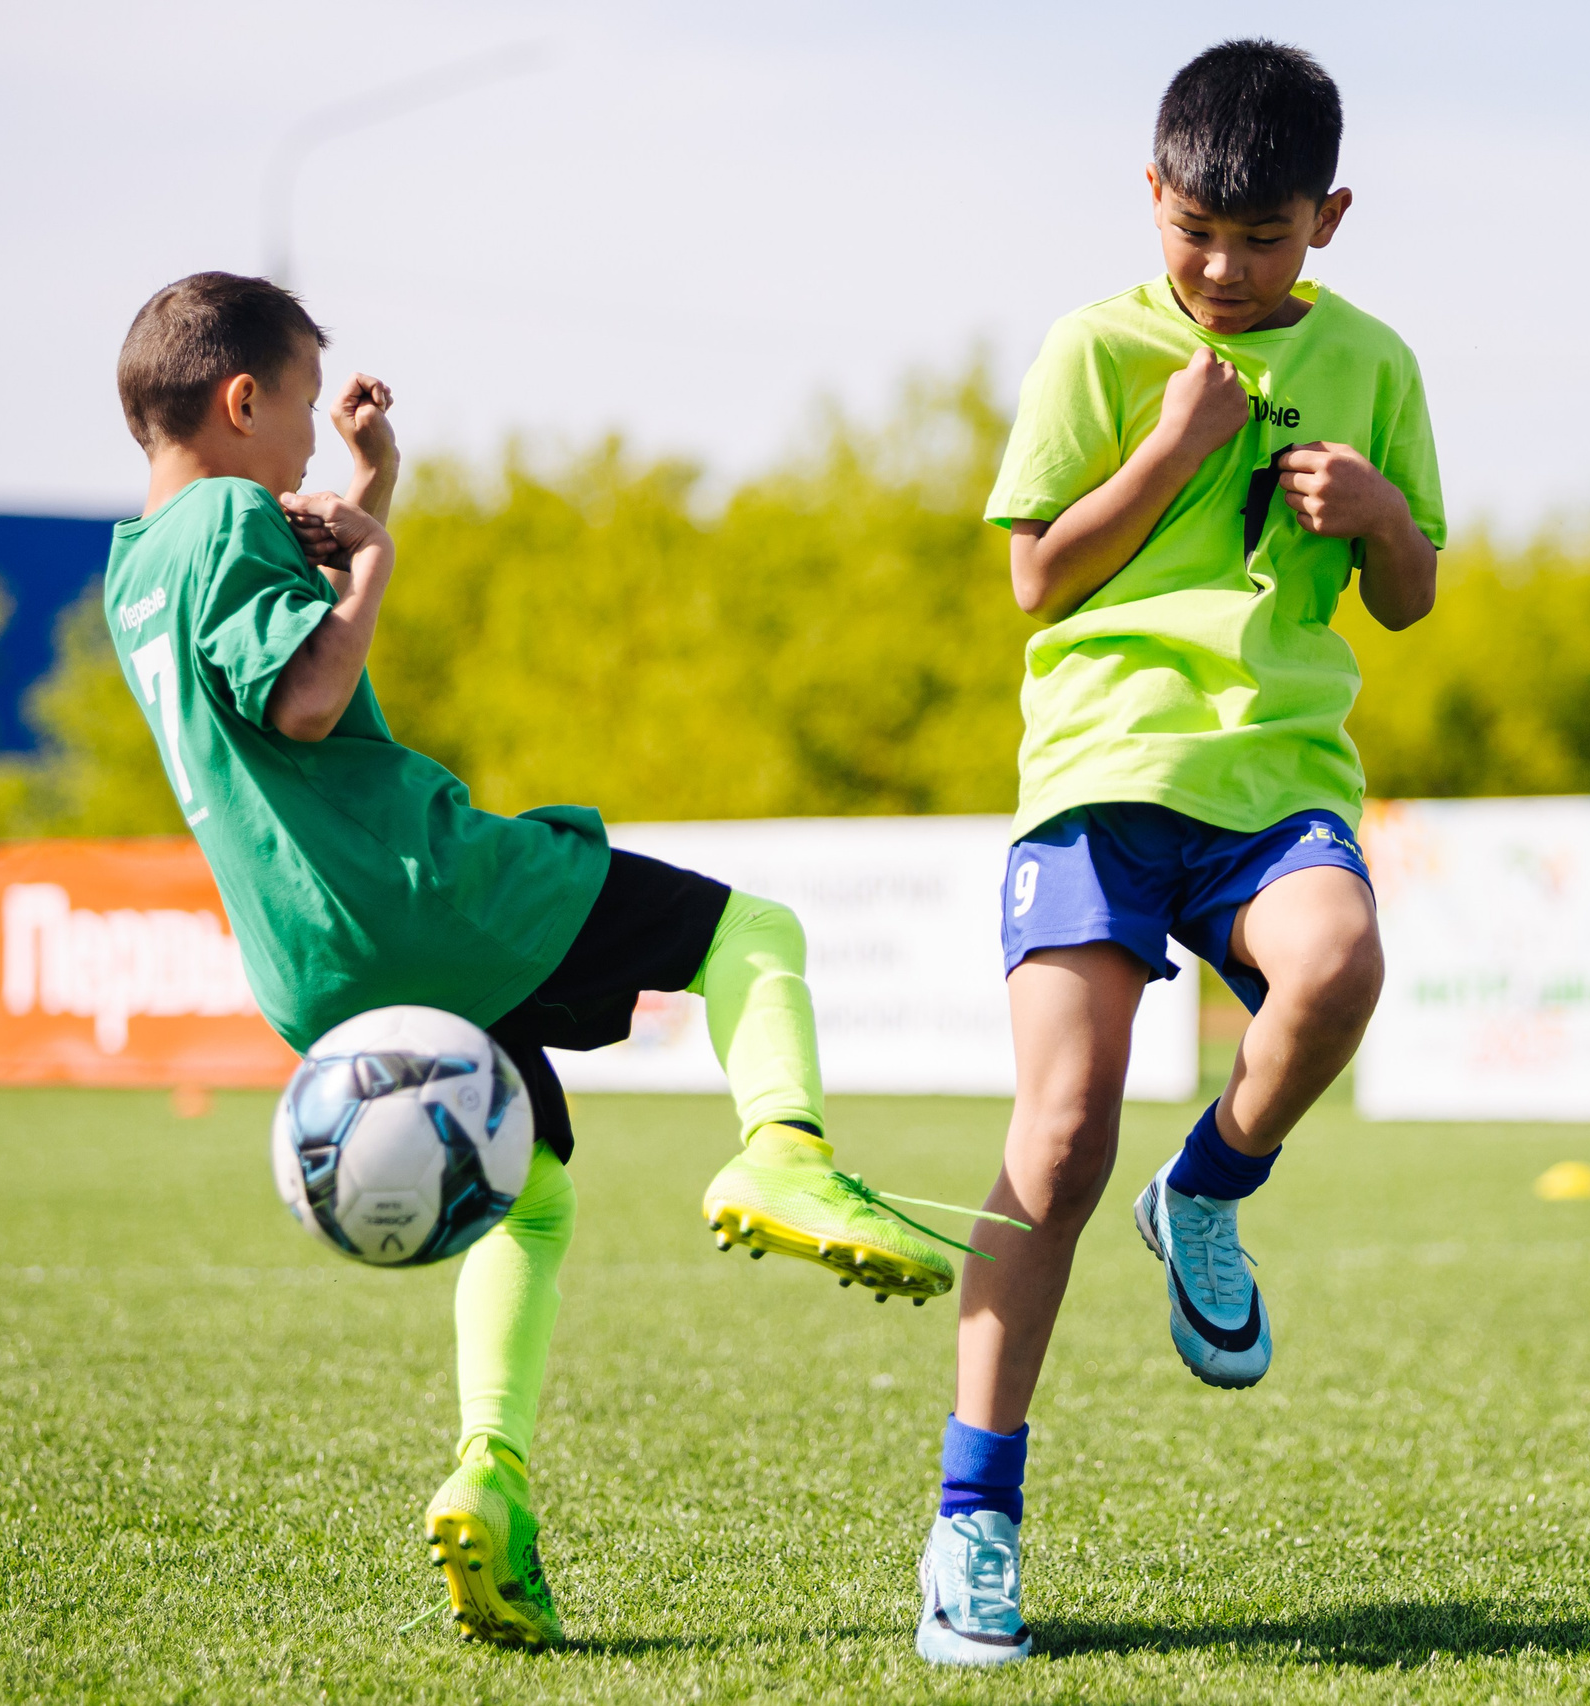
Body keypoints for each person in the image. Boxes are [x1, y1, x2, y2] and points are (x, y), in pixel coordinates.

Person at [101, 271, 958, 1651]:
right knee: (750, 931)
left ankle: (487, 1478)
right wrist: (374, 557)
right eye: (308, 415)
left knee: (530, 1196)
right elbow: (310, 698)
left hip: (310, 965)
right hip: (420, 888)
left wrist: (372, 492)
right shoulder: (232, 513)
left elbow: (264, 655)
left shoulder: (139, 562)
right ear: (240, 398)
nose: (316, 447)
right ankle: (783, 1146)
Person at [913, 40, 1443, 1666]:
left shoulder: (1376, 364)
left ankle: (1208, 1187)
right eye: (1196, 230)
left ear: (1330, 218)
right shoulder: (1093, 348)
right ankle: (973, 1525)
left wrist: (1376, 516)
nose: (1223, 266)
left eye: (1264, 237)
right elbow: (1036, 581)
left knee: (1338, 964)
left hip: (1278, 779)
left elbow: (1414, 594)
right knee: (1059, 1139)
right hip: (1098, 777)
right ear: (1154, 197)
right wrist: (1169, 444)